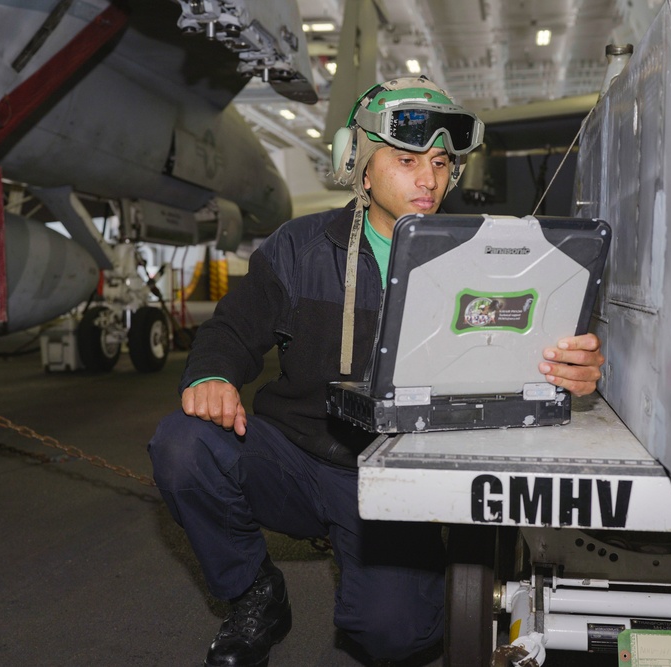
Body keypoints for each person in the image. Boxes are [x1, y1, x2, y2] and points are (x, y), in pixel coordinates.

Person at [148, 76, 605, 667]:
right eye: (407, 159)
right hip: (297, 455)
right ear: (361, 168)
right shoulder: (300, 248)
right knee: (184, 445)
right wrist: (211, 375)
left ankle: (412, 556)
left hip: (405, 472)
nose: (429, 178)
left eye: (442, 163)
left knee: (397, 637)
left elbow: (533, 352)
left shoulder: (490, 257)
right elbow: (231, 330)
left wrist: (572, 368)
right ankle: (255, 595)